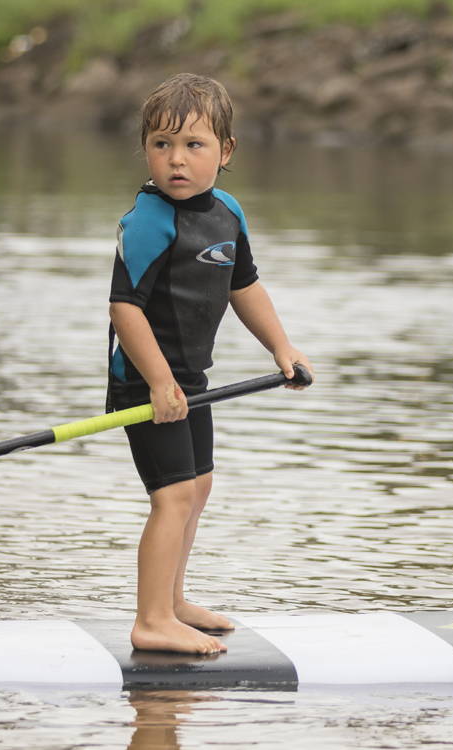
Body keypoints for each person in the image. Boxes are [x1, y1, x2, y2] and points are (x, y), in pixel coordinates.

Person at [107, 73, 312, 655]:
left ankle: (173, 601)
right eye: (161, 145)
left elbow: (243, 287)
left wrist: (282, 347)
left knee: (197, 487)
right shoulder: (147, 221)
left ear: (225, 152)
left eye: (193, 146)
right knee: (170, 496)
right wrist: (159, 383)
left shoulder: (226, 211)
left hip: (190, 383)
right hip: (145, 385)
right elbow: (125, 309)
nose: (176, 160)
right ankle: (150, 620)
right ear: (145, 149)